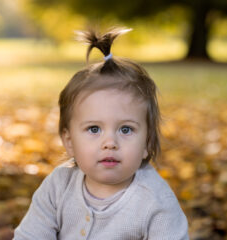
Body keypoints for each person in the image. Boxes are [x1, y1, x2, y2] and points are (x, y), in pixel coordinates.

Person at [13, 27, 189, 240]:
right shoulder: (58, 186)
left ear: (147, 143)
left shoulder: (156, 202)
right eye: (94, 129)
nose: (110, 143)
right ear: (69, 141)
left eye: (126, 129)